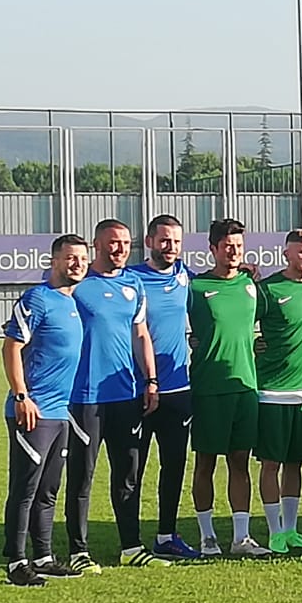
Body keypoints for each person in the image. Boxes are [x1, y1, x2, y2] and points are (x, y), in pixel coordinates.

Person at [66, 219, 162, 571]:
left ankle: (131, 546)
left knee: (128, 472)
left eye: (124, 243)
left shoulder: (133, 284)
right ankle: (78, 551)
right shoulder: (76, 286)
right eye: (113, 243)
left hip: (126, 395)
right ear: (97, 245)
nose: (120, 249)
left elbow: (140, 335)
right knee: (82, 475)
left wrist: (151, 381)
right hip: (84, 397)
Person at [1, 235, 91, 586]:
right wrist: (22, 396)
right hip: (33, 411)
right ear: (54, 260)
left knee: (49, 489)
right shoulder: (37, 299)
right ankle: (16, 562)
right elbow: (11, 346)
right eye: (70, 258)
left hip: (60, 412)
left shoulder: (72, 301)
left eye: (82, 258)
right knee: (25, 488)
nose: (77, 264)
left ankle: (44, 557)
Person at [189, 219, 269, 557]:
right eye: (227, 246)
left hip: (245, 386)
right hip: (208, 387)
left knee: (240, 461)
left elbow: (276, 316)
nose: (233, 251)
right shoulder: (194, 287)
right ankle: (207, 536)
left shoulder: (251, 285)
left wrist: (262, 343)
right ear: (213, 249)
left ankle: (241, 537)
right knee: (206, 462)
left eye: (238, 245)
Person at [126, 215, 201, 559]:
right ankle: (131, 541)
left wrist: (247, 270)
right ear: (149, 241)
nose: (170, 247)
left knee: (173, 467)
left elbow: (217, 291)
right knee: (132, 470)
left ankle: (166, 535)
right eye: (164, 241)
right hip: (137, 392)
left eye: (176, 242)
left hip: (178, 390)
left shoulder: (184, 275)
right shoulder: (130, 279)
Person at [254, 230, 302, 554]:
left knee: (296, 464)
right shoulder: (268, 290)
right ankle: (274, 532)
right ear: (286, 254)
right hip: (271, 393)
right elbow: (239, 322)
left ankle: (292, 529)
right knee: (271, 464)